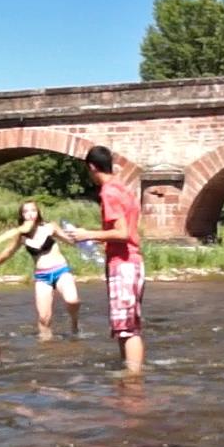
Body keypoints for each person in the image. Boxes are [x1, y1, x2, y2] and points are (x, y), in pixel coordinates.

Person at [59, 145, 145, 372]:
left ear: (92, 167)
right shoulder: (124, 189)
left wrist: (88, 234)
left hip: (123, 263)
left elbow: (123, 233)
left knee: (127, 328)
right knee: (125, 325)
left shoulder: (109, 192)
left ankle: (133, 378)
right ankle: (127, 370)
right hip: (131, 262)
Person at [0, 199, 81, 339]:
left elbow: (71, 241)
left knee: (72, 301)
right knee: (44, 318)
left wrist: (81, 236)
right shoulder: (21, 236)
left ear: (38, 213)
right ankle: (46, 345)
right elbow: (8, 252)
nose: (30, 214)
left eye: (33, 210)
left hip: (61, 271)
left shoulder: (50, 227)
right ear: (22, 215)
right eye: (26, 211)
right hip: (42, 277)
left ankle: (74, 323)